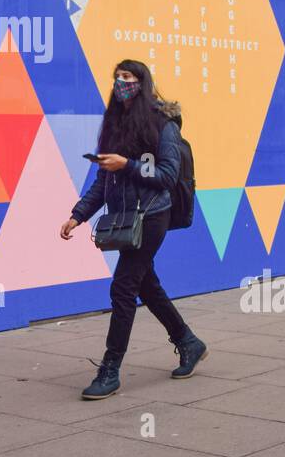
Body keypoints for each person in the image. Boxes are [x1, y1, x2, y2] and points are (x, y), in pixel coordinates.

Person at [59, 59, 207, 398]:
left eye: (127, 77)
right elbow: (102, 179)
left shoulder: (162, 124)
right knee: (147, 285)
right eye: (117, 77)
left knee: (123, 287)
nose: (120, 82)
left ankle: (110, 370)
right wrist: (78, 215)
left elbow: (168, 176)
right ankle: (188, 341)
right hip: (127, 218)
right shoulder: (115, 125)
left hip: (153, 216)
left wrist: (127, 164)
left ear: (142, 82)